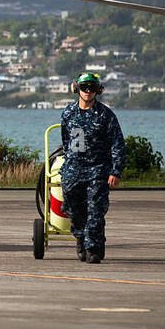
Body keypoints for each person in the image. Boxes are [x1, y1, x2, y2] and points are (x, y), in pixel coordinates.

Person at [60, 72, 125, 264]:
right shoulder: (68, 113)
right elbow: (66, 140)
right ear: (76, 90)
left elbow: (117, 143)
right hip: (73, 169)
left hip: (98, 170)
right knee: (72, 207)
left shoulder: (106, 115)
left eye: (92, 88)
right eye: (84, 88)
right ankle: (80, 236)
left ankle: (94, 249)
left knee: (96, 210)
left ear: (98, 91)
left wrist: (116, 170)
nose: (88, 91)